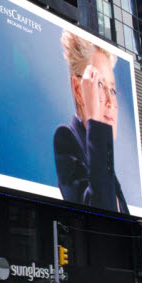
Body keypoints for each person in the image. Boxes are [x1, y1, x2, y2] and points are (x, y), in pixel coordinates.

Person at [55, 32, 129, 214]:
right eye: (99, 84)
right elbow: (102, 211)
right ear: (79, 90)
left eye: (112, 89)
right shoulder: (66, 139)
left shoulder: (106, 164)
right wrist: (96, 121)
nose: (111, 103)